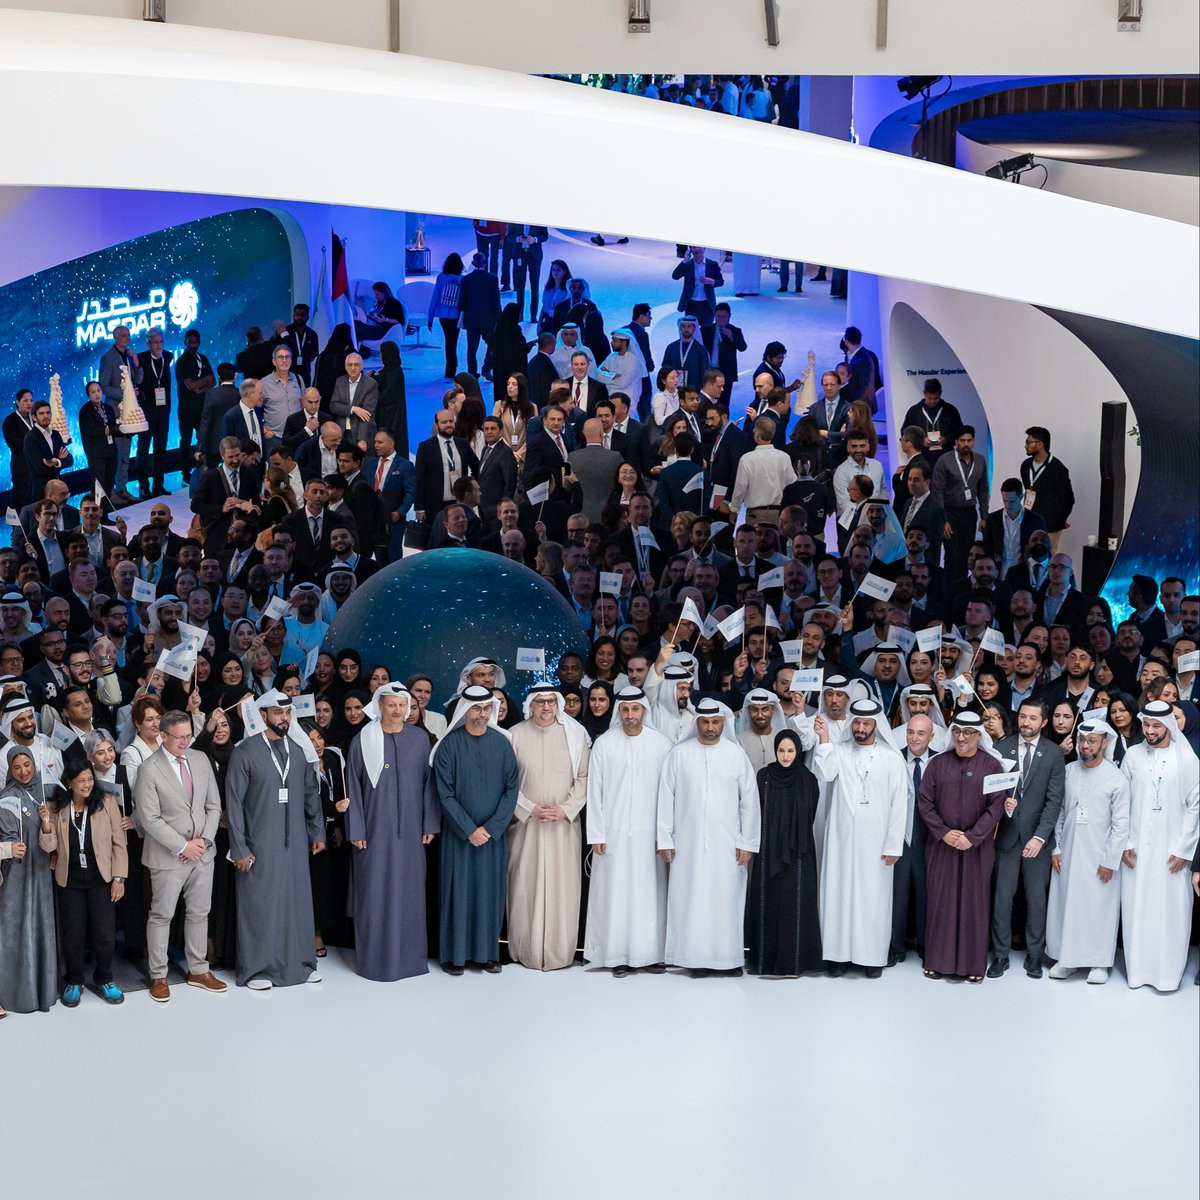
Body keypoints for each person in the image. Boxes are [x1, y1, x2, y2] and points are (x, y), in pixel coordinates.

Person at [225, 690, 325, 990]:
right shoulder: (245, 752)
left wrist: (317, 831)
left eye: (288, 713)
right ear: (263, 714)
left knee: (297, 901)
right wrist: (239, 848)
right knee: (261, 904)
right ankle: (257, 970)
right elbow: (234, 803)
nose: (284, 718)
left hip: (295, 842)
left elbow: (311, 794)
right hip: (259, 843)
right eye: (278, 713)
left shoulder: (299, 750)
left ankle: (303, 964)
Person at [344, 683, 440, 982]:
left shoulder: (420, 739)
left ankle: (410, 961)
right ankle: (375, 961)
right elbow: (353, 786)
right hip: (373, 832)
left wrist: (429, 823)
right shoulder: (363, 740)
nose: (398, 711)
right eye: (392, 705)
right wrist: (356, 828)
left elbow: (429, 784)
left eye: (402, 705)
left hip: (411, 832)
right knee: (374, 893)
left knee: (410, 893)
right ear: (380, 706)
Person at [657, 698, 759, 977]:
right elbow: (666, 798)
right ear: (697, 722)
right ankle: (694, 960)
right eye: (705, 722)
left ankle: (728, 960)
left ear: (723, 723)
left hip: (728, 845)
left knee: (726, 901)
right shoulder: (680, 754)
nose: (710, 727)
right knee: (691, 900)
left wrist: (747, 842)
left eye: (715, 722)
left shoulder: (735, 755)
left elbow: (749, 802)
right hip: (686, 845)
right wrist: (664, 839)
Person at [133, 708, 226, 1002]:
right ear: (163, 735)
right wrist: (183, 846)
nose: (186, 741)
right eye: (179, 737)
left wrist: (204, 841)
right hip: (168, 856)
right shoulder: (148, 768)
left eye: (189, 735)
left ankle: (198, 970)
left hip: (203, 853)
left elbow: (214, 806)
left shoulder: (200, 759)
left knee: (200, 912)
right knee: (162, 915)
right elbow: (149, 819)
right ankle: (158, 975)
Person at [813, 698, 907, 978]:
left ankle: (871, 957)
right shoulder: (839, 751)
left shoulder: (891, 759)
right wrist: (824, 738)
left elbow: (899, 804)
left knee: (872, 898)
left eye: (866, 723)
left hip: (876, 844)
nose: (861, 728)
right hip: (841, 840)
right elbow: (824, 773)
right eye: (857, 722)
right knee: (839, 895)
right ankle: (837, 956)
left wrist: (894, 845)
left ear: (876, 725)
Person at [584, 686, 672, 976]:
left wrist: (664, 835)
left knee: (650, 893)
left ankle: (652, 955)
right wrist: (596, 834)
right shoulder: (604, 744)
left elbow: (668, 794)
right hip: (614, 833)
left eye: (635, 709)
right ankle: (616, 955)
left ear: (644, 710)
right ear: (618, 711)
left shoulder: (661, 744)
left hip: (650, 834)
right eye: (625, 709)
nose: (630, 714)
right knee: (615, 893)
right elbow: (594, 792)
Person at [433, 685, 520, 974]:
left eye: (486, 709)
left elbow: (511, 789)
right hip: (459, 837)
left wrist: (492, 828)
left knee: (490, 894)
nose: (482, 714)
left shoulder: (502, 744)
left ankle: (488, 954)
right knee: (457, 893)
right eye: (476, 708)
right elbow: (444, 794)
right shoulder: (449, 745)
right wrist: (469, 829)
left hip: (493, 838)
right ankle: (454, 956)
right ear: (464, 710)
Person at [917, 711, 1006, 981]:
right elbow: (925, 802)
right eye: (957, 731)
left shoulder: (992, 766)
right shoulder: (937, 764)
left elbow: (996, 806)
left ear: (979, 735)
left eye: (968, 733)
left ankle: (972, 966)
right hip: (941, 846)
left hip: (977, 849)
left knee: (973, 903)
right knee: (940, 901)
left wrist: (973, 836)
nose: (961, 737)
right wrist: (944, 833)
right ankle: (937, 961)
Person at [507, 688, 590, 971]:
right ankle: (525, 950)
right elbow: (505, 781)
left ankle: (558, 952)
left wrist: (566, 809)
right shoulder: (515, 735)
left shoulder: (575, 734)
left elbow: (584, 776)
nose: (546, 707)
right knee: (524, 886)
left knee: (562, 888)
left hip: (563, 826)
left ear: (558, 704)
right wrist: (527, 807)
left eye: (551, 701)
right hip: (526, 826)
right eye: (540, 702)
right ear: (530, 705)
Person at [1119, 700, 1200, 992]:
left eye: (1156, 725)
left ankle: (1167, 975)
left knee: (1171, 911)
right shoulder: (1132, 756)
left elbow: (1195, 806)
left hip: (1172, 851)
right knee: (1137, 908)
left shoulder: (1187, 759)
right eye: (1146, 725)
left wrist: (1183, 849)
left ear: (1168, 725)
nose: (1150, 731)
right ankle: (1138, 973)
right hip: (1137, 848)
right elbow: (1121, 802)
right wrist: (1125, 842)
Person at [1046, 720, 1130, 983]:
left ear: (1104, 743)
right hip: (1068, 854)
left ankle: (1098, 963)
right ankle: (1066, 959)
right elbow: (1058, 812)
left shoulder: (1116, 778)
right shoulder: (1068, 771)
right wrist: (1056, 848)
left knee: (1098, 908)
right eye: (1082, 740)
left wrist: (1110, 861)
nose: (1085, 746)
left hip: (1099, 857)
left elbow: (1121, 824)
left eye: (1092, 741)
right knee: (1066, 906)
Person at [988, 698, 1065, 980]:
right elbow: (990, 792)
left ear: (1043, 722)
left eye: (1033, 718)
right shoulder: (1000, 749)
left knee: (1036, 900)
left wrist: (1040, 838)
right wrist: (1003, 806)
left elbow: (1054, 800)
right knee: (1002, 899)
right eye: (1023, 717)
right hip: (1007, 837)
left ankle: (1034, 955)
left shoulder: (1053, 753)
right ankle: (1000, 955)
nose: (1026, 722)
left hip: (1037, 841)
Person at [745, 729, 822, 977]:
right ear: (775, 750)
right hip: (768, 851)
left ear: (798, 751)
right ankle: (765, 962)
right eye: (781, 750)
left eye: (790, 751)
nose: (786, 756)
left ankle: (794, 963)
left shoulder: (807, 779)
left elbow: (810, 815)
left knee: (795, 904)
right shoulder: (763, 776)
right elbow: (755, 810)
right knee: (767, 903)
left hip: (798, 852)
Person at [51, 760, 128, 1006]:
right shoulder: (58, 806)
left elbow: (119, 843)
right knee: (73, 933)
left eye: (90, 779)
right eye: (81, 781)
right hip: (70, 880)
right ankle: (74, 980)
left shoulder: (106, 802)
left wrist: (119, 878)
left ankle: (105, 977)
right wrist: (46, 827)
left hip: (101, 879)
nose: (87, 785)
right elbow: (49, 845)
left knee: (105, 933)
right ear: (69, 783)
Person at [0, 746, 58, 1013]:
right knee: (15, 927)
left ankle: (42, 988)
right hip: (16, 873)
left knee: (40, 924)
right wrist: (10, 847)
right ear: (10, 770)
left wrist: (46, 823)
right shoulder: (6, 798)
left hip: (41, 871)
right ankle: (15, 991)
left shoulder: (44, 794)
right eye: (17, 767)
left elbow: (51, 842)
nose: (23, 771)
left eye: (27, 765)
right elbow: (6, 836)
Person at [890, 713, 937, 967]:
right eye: (911, 732)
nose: (914, 738)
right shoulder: (893, 758)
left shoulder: (939, 762)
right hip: (900, 838)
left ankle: (926, 946)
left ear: (932, 736)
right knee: (897, 894)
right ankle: (895, 947)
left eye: (921, 733)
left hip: (930, 840)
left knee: (926, 894)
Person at [1020, 426, 1075, 551]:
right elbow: (1028, 490)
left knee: (1047, 557)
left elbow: (1068, 498)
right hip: (1030, 522)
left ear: (1040, 444)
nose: (1025, 446)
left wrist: (1061, 519)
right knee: (1027, 556)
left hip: (1050, 525)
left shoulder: (1057, 468)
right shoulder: (1025, 466)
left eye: (1028, 442)